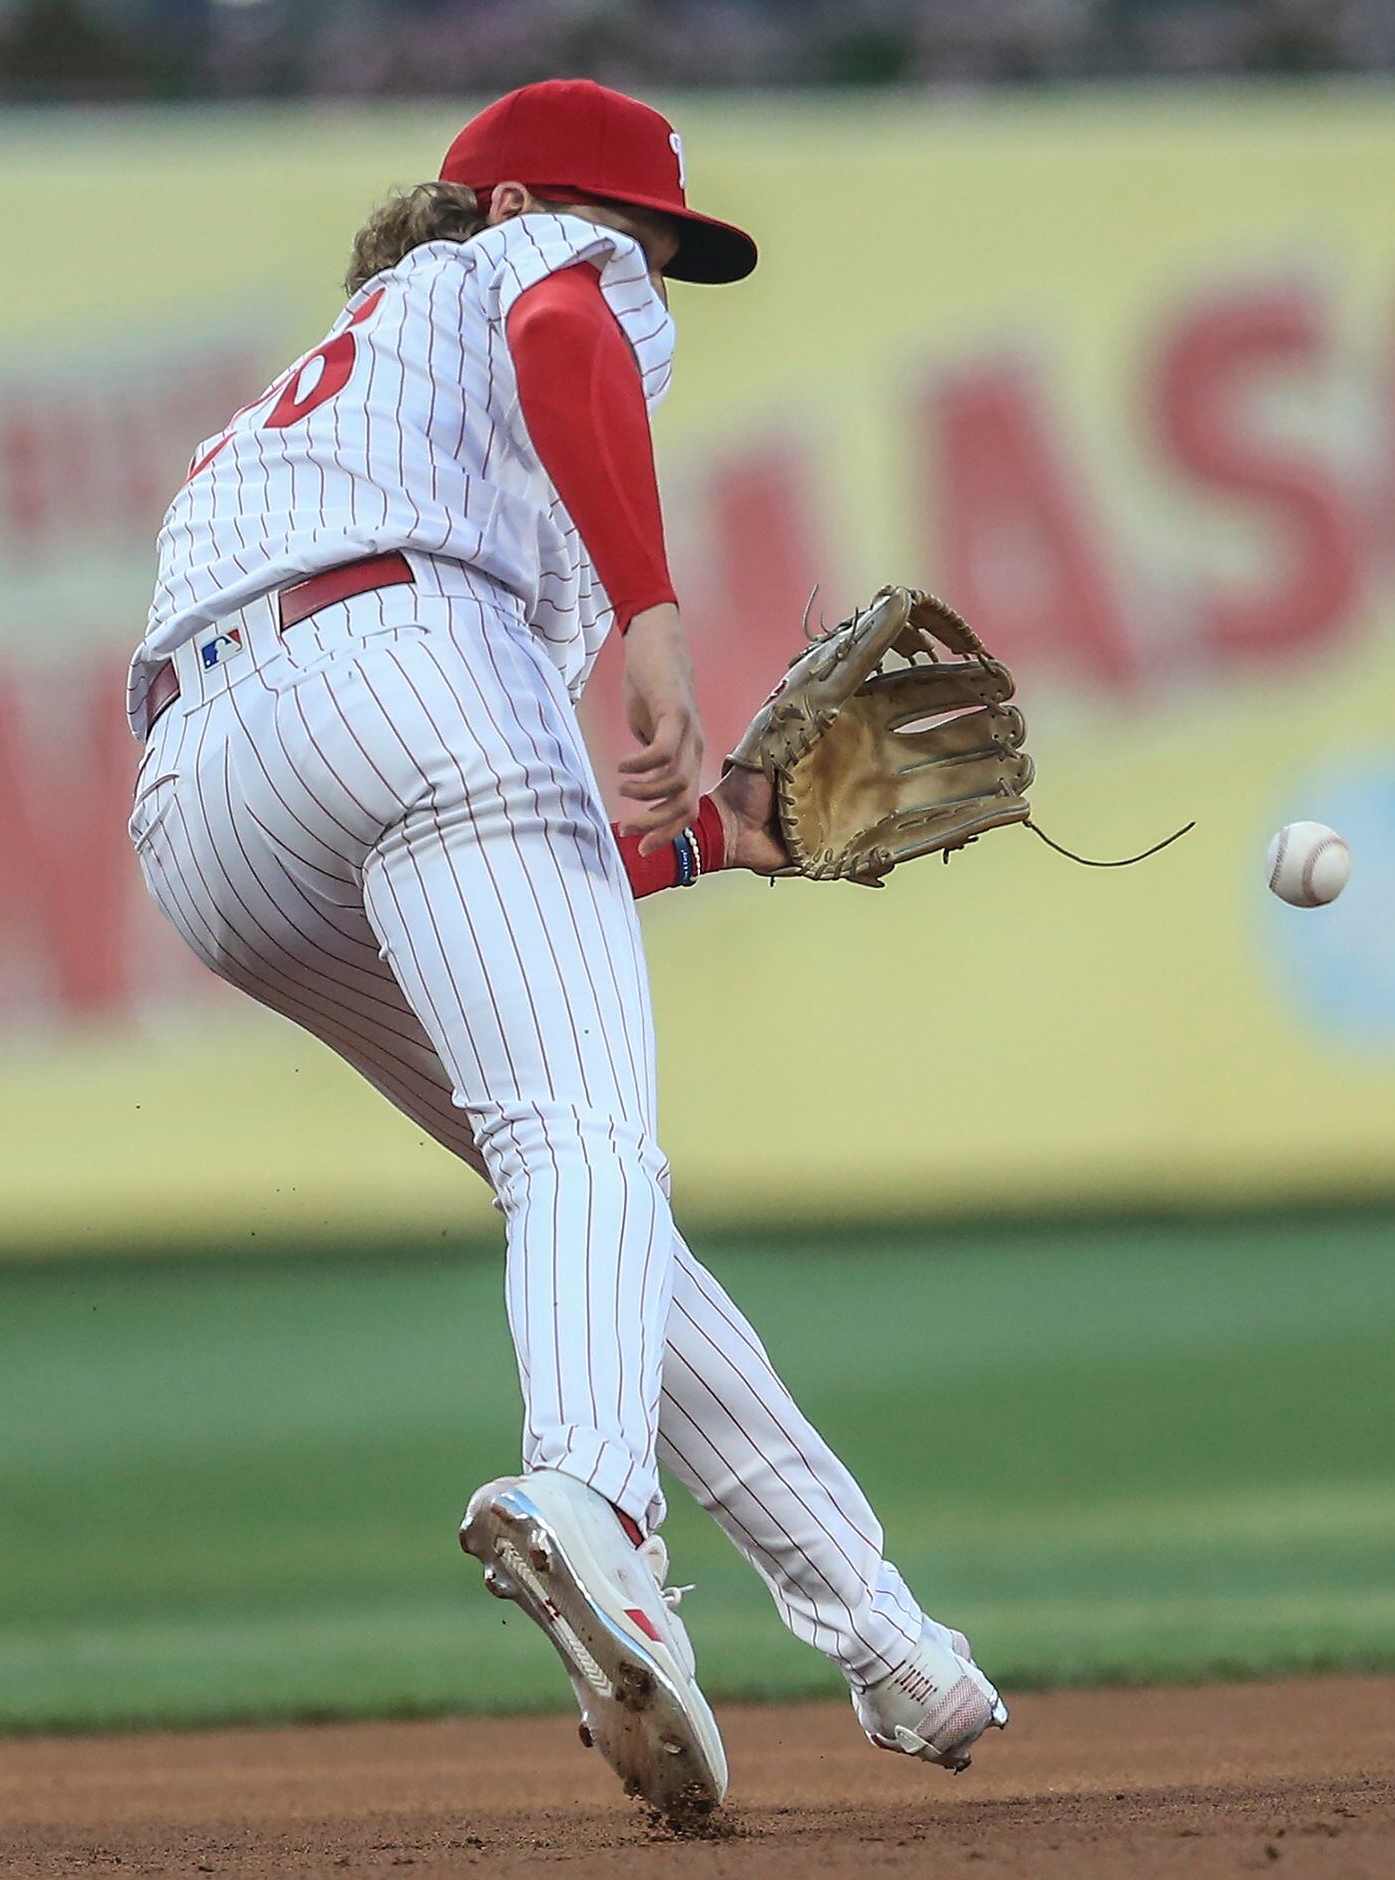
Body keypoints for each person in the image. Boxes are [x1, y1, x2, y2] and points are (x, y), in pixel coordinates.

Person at [125, 78, 1006, 1816]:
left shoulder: (303, 417)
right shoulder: (530, 268)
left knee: (586, 1202)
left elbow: (447, 816)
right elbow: (555, 323)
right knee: (581, 1152)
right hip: (404, 671)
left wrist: (710, 838)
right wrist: (661, 625)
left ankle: (887, 1639)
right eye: (650, 240)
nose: (650, 273)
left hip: (201, 812)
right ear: (526, 198)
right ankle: (589, 1506)